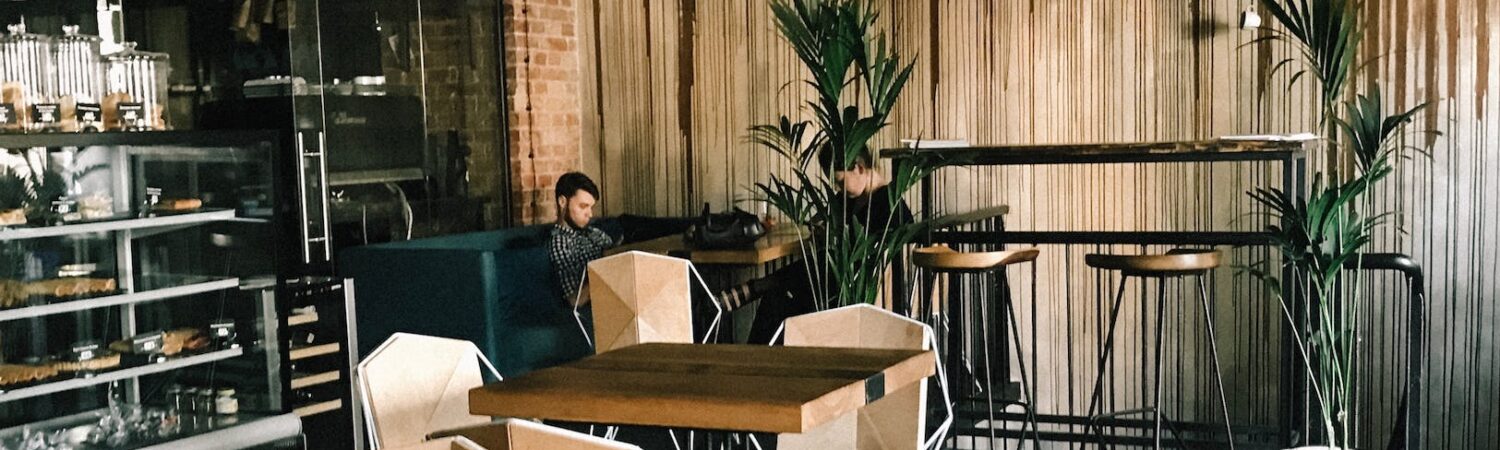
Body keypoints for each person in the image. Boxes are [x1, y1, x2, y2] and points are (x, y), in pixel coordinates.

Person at [731, 146, 913, 343]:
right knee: (778, 298)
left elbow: (875, 260)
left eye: (840, 181)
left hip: (858, 298)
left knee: (779, 301)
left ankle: (758, 289)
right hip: (832, 286)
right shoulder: (850, 199)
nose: (837, 188)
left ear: (860, 168)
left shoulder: (890, 205)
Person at [548, 172, 614, 307]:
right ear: (562, 202)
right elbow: (575, 299)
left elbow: (613, 249)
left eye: (591, 207)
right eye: (583, 206)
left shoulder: (591, 231)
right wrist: (611, 272)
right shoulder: (560, 242)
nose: (590, 214)